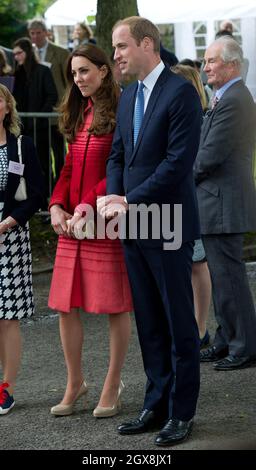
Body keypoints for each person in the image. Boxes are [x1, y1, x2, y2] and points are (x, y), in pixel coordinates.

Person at [97, 16, 202, 446]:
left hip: (170, 224)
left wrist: (127, 199)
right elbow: (118, 156)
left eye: (121, 47)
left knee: (179, 322)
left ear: (146, 44)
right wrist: (115, 196)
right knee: (149, 321)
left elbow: (177, 165)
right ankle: (154, 405)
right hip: (134, 225)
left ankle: (182, 413)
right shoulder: (127, 98)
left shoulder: (181, 93)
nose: (116, 55)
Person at [48, 44, 133, 418]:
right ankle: (75, 382)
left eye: (84, 71)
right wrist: (55, 205)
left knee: (115, 306)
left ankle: (113, 383)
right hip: (72, 224)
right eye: (74, 73)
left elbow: (119, 170)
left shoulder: (123, 112)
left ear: (103, 70)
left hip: (105, 222)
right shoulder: (79, 111)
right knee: (65, 306)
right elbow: (68, 168)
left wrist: (89, 206)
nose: (79, 79)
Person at [194, 36, 256, 371]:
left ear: (231, 64)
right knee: (221, 278)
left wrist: (180, 180)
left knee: (230, 278)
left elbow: (210, 156)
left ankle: (244, 346)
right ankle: (226, 339)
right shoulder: (227, 96)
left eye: (211, 61)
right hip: (216, 202)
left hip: (223, 203)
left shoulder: (234, 99)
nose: (205, 67)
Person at [0, 84, 44, 414]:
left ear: (7, 107)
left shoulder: (21, 146)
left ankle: (6, 389)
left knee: (7, 319)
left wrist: (8, 223)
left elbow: (37, 195)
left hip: (11, 236)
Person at [171, 64, 211, 348]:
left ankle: (201, 326)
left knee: (197, 263)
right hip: (174, 199)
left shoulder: (195, 116)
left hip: (191, 198)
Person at [12, 37, 57, 207]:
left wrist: (39, 116)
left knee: (43, 165)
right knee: (21, 165)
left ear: (28, 52)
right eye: (14, 54)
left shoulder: (43, 71)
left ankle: (47, 201)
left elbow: (52, 95)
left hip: (41, 128)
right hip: (22, 129)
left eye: (19, 53)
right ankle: (30, 200)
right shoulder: (17, 74)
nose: (16, 57)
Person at [28, 18, 70, 183]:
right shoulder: (28, 53)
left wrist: (66, 107)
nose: (36, 37)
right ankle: (46, 186)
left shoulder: (60, 53)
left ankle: (61, 185)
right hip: (37, 113)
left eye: (39, 33)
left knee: (59, 152)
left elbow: (68, 82)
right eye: (32, 33)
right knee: (41, 155)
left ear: (46, 33)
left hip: (56, 111)